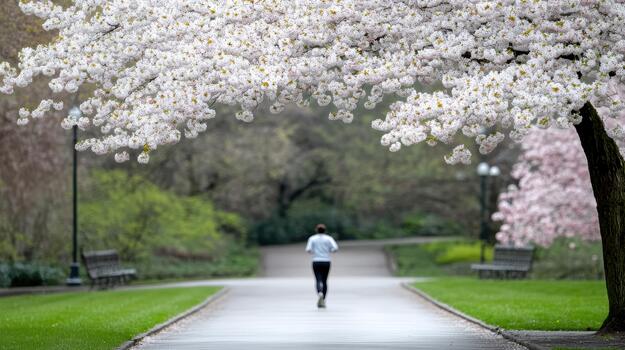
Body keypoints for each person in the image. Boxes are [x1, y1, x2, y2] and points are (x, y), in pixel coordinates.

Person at [305, 223, 339, 308]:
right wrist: (329, 251)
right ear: (325, 230)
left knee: (318, 279)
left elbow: (308, 249)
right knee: (324, 281)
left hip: (316, 261)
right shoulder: (329, 238)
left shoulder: (312, 238)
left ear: (316, 230)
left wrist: (314, 252)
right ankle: (323, 298)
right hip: (326, 261)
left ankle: (319, 292)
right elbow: (335, 248)